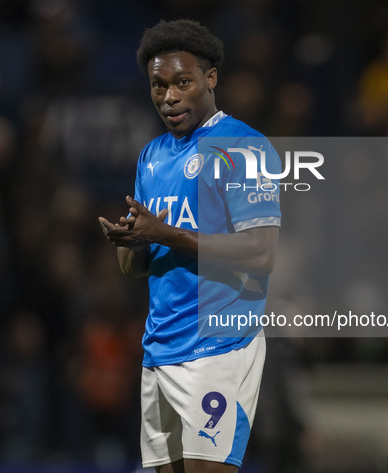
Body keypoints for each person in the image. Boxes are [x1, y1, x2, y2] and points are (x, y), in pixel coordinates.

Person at [99, 19, 281, 473]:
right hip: (160, 348)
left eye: (183, 82)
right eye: (158, 85)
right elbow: (134, 268)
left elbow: (262, 253)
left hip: (218, 346)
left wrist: (163, 234)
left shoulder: (244, 147)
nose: (169, 96)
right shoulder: (152, 156)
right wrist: (133, 242)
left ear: (211, 78)